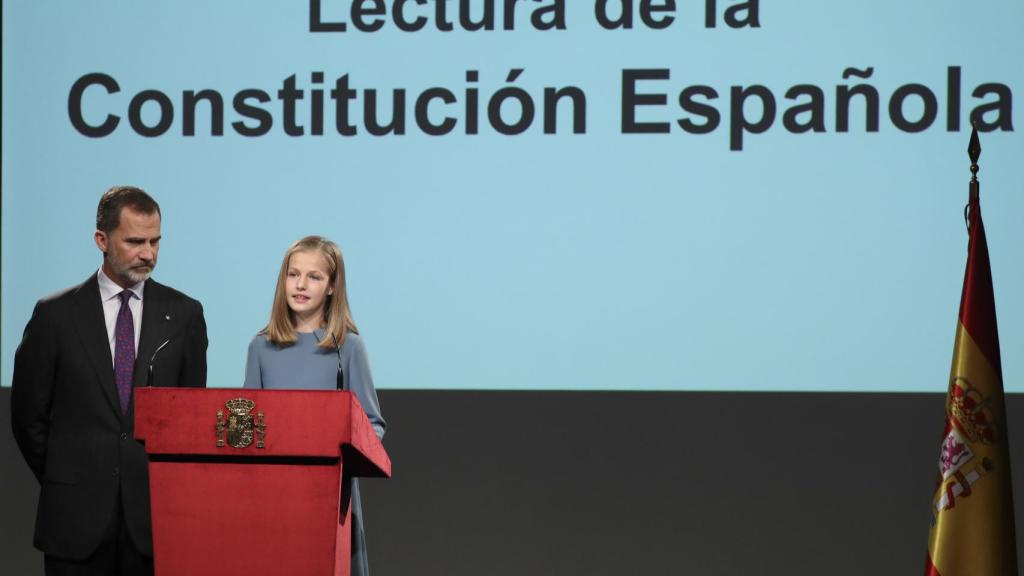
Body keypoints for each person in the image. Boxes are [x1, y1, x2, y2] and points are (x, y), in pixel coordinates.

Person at [11, 186, 209, 575]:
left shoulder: (184, 314)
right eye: (135, 241)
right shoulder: (55, 315)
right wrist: (71, 476)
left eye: (155, 241)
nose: (148, 253)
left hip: (153, 522)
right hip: (75, 520)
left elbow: (191, 419)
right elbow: (28, 418)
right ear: (101, 239)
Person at [243, 235, 385, 576]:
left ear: (333, 286)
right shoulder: (260, 347)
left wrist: (347, 456)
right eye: (293, 275)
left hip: (330, 496)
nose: (301, 285)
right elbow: (246, 424)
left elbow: (373, 425)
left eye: (314, 277)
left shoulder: (348, 347)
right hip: (274, 497)